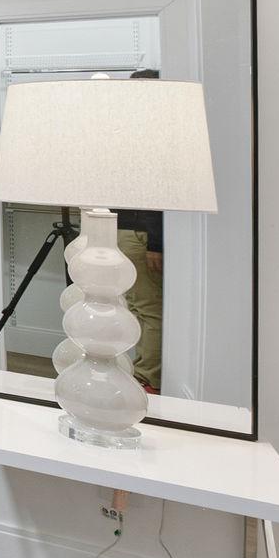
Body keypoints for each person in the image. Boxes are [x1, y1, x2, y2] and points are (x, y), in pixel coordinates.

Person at [117, 68, 165, 390]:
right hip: (133, 233)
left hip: (132, 233)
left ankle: (145, 376)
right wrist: (155, 243)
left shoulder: (138, 135)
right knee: (145, 309)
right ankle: (147, 377)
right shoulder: (148, 136)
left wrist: (155, 242)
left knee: (141, 308)